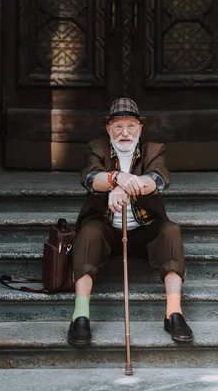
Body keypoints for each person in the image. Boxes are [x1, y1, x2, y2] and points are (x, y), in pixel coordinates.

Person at [67, 97, 194, 347]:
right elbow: (90, 178)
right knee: (88, 232)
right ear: (108, 129)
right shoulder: (97, 148)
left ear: (140, 128)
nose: (125, 133)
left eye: (131, 126)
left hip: (143, 231)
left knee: (170, 231)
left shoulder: (154, 149)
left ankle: (174, 312)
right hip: (106, 231)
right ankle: (80, 316)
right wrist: (117, 178)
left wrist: (124, 189)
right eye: (118, 126)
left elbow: (157, 180)